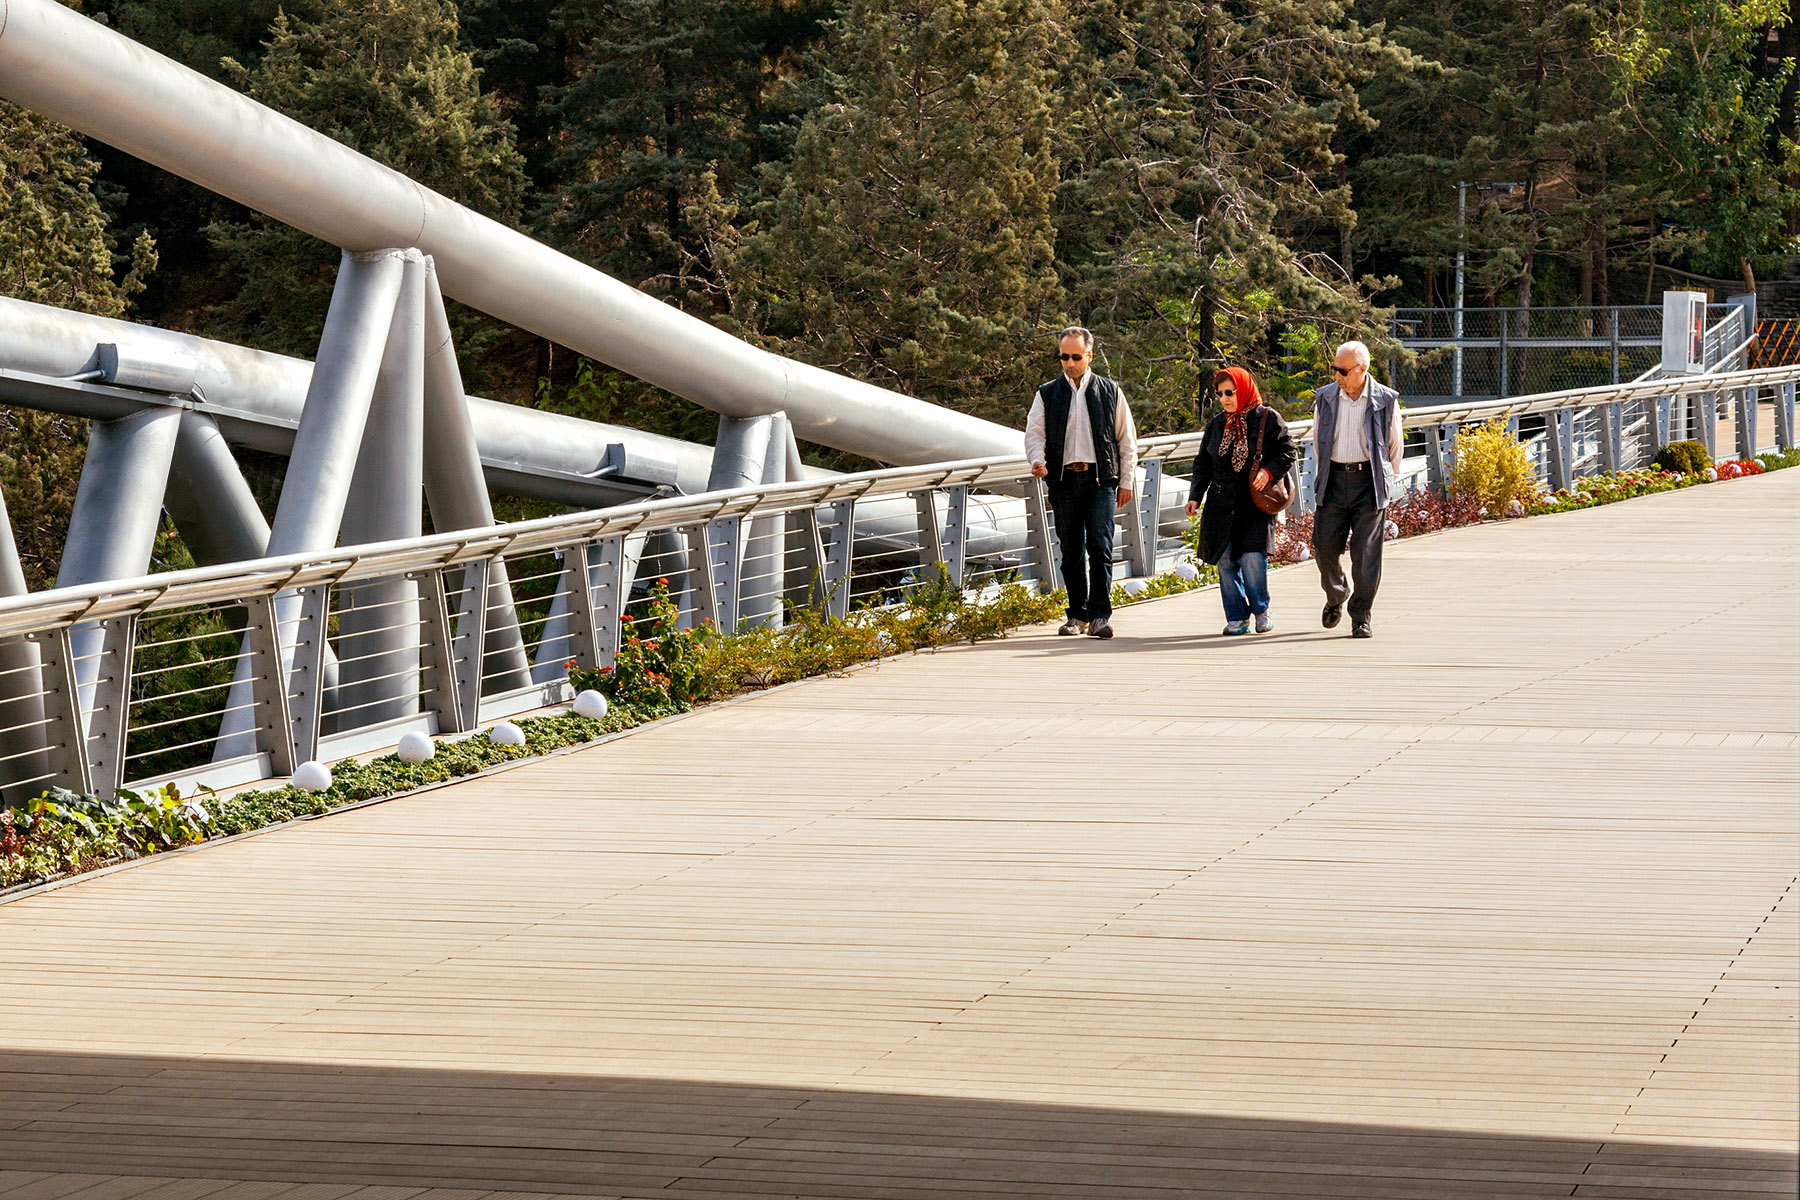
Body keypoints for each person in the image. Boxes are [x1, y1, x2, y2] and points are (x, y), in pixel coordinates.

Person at [1024, 326, 1139, 639]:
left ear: (1089, 355)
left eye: (1076, 356)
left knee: (1100, 546)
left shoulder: (1109, 390)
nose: (1069, 363)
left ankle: (1100, 615)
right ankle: (1077, 615)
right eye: (1064, 356)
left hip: (1100, 478)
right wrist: (1038, 461)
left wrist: (1126, 479)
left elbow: (1126, 439)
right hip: (1062, 480)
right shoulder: (1047, 393)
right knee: (1071, 550)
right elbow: (1035, 434)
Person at [1183, 366, 1295, 635]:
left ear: (1242, 389)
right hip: (1221, 504)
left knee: (1252, 558)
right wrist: (1195, 497)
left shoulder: (1267, 418)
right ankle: (1236, 616)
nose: (1224, 399)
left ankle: (1261, 610)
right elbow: (1203, 463)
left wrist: (1268, 472)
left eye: (1230, 392)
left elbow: (1288, 450)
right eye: (1220, 394)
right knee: (1225, 561)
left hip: (1254, 505)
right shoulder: (1217, 424)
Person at [1311, 340, 1404, 638]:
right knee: (1324, 547)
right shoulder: (1325, 398)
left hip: (1369, 482)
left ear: (1362, 369)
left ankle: (1360, 616)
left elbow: (1394, 445)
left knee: (1365, 554)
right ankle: (1337, 594)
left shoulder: (1385, 400)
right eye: (1334, 368)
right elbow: (1318, 441)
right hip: (1334, 480)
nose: (1336, 375)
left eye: (1342, 370)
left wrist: (1386, 481)